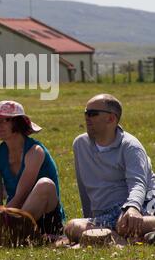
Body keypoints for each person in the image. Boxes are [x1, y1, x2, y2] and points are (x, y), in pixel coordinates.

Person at [64, 93, 155, 244]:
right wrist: (89, 219)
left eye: (92, 114)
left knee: (124, 224)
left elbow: (138, 183)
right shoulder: (80, 144)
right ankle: (127, 241)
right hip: (106, 215)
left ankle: (120, 239)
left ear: (111, 118)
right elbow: (84, 188)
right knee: (73, 226)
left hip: (139, 205)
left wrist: (132, 208)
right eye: (85, 113)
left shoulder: (130, 146)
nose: (87, 118)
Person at [0, 100, 65, 237]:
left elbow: (20, 197)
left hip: (46, 219)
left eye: (6, 120)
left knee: (45, 184)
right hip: (14, 214)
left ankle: (11, 234)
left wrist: (1, 221)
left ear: (18, 123)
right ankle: (10, 235)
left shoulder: (35, 151)